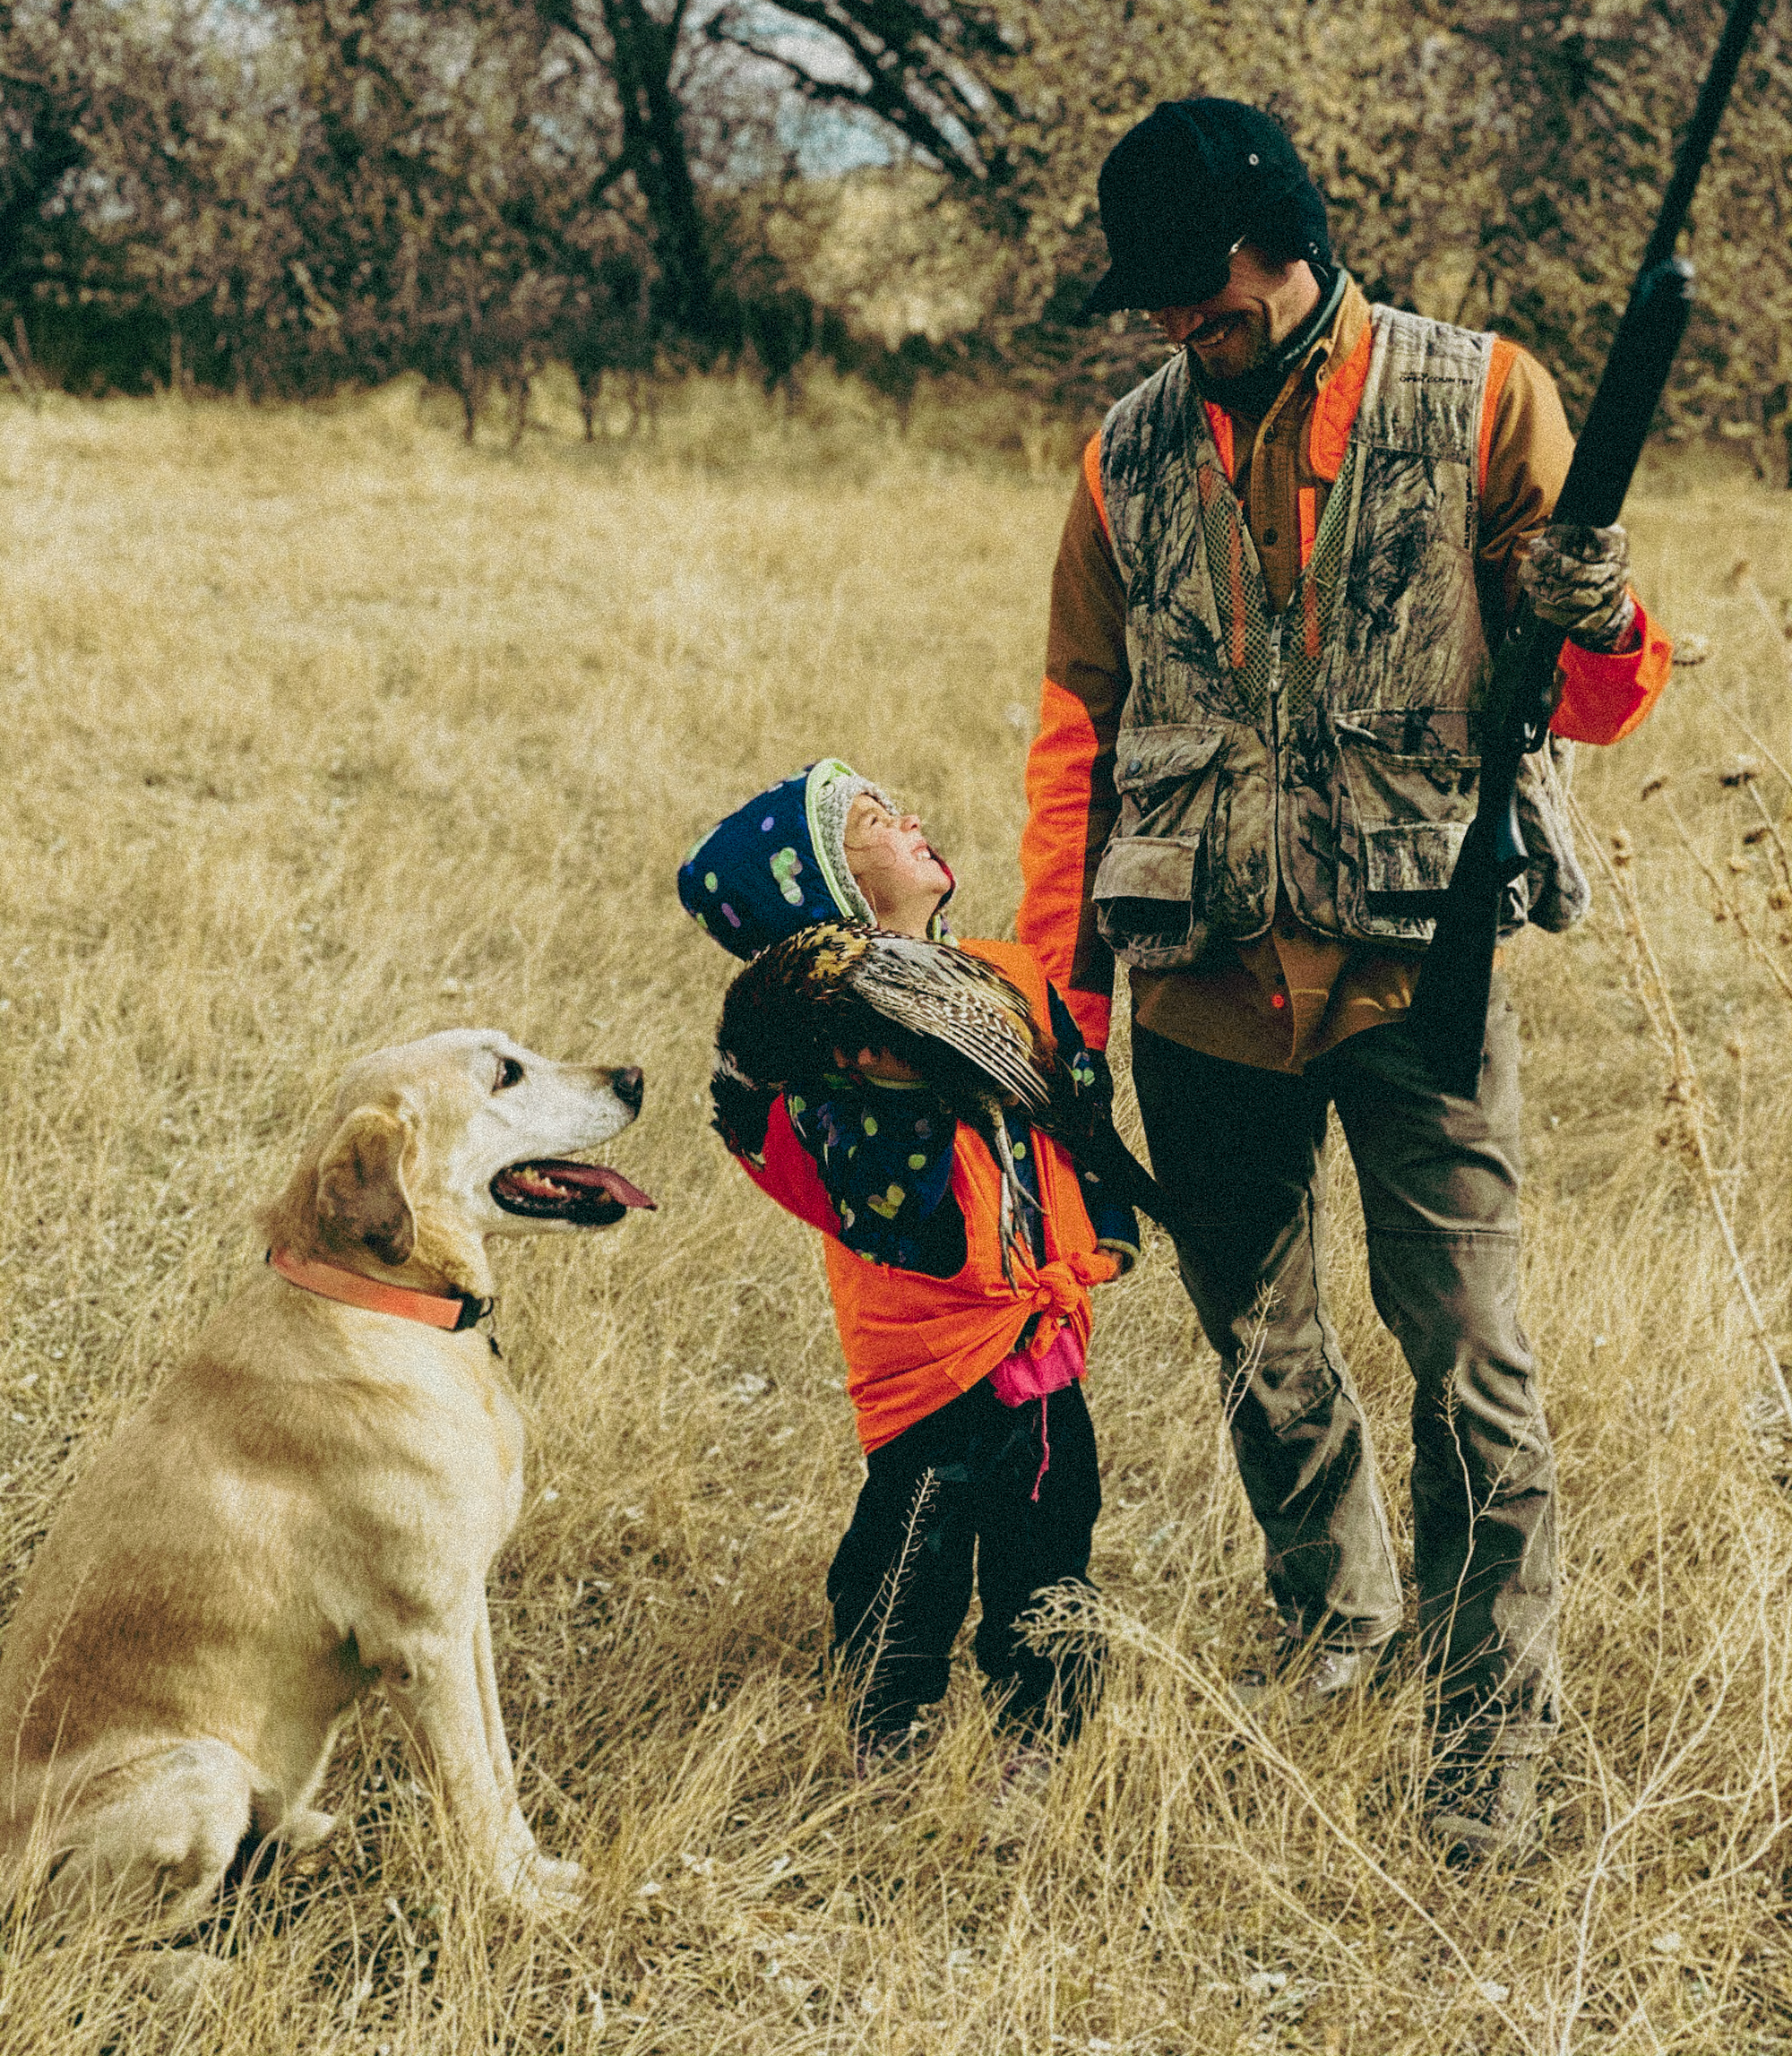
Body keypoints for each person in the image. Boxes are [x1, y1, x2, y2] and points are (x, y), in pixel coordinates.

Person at [1017, 99, 1673, 1859]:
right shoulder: (1126, 452)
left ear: (1288, 235)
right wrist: (1057, 1008)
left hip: (1414, 971)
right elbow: (1079, 734)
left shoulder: (1482, 397)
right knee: (1253, 1341)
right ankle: (1338, 1616)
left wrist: (1601, 621)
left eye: (1206, 294)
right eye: (1156, 303)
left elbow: (1600, 697)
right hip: (1196, 988)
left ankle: (1489, 1731)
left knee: (1465, 1355)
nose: (1180, 327)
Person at [679, 760, 1137, 1771]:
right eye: (876, 825)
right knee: (914, 1536)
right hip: (930, 1351)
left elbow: (1077, 1111)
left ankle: (1043, 1734)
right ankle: (888, 1731)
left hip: (1042, 1327)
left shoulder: (1009, 972)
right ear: (828, 892)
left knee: (1053, 1525)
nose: (911, 822)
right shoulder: (819, 1040)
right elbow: (875, 1200)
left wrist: (1105, 1227)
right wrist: (885, 1076)